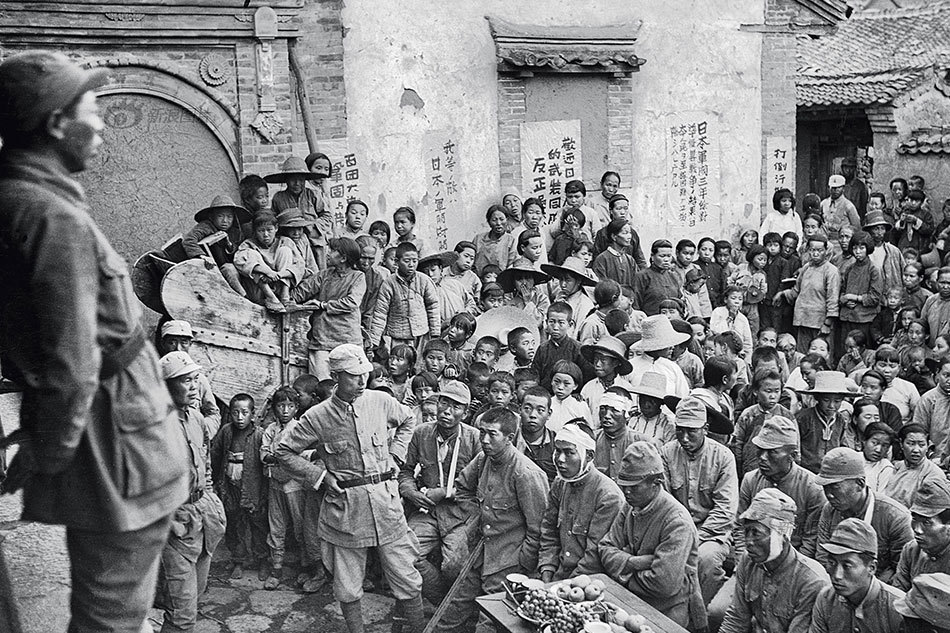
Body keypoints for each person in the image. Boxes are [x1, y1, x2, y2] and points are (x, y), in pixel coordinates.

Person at [0, 51, 190, 633]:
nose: (102, 124)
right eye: (91, 109)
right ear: (58, 124)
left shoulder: (31, 198)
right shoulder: (47, 215)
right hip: (114, 444)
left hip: (107, 433)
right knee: (111, 617)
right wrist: (51, 452)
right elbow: (73, 363)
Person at [274, 344, 422, 633]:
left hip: (386, 505)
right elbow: (284, 451)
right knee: (347, 586)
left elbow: (408, 420)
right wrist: (320, 476)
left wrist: (396, 455)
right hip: (346, 511)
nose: (361, 381)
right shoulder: (318, 416)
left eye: (364, 373)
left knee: (407, 578)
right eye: (353, 376)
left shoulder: (380, 401)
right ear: (336, 377)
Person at [433, 407, 549, 633]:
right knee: (452, 610)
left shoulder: (526, 473)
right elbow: (463, 488)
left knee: (489, 622)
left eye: (492, 434)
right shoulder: (483, 459)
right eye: (482, 432)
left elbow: (539, 528)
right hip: (478, 552)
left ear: (509, 438)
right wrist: (475, 518)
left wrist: (522, 562)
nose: (484, 440)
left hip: (508, 560)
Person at [599, 441, 706, 630]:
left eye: (634, 487)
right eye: (624, 485)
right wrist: (635, 562)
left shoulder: (677, 521)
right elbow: (605, 548)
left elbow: (664, 584)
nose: (626, 492)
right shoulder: (631, 505)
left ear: (656, 483)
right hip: (630, 600)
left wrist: (622, 572)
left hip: (667, 611)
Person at [155, 352, 226, 633]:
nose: (194, 386)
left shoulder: (197, 418)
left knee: (195, 596)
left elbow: (205, 464)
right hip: (175, 524)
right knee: (182, 614)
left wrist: (210, 499)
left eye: (196, 379)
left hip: (202, 517)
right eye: (185, 380)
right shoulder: (154, 425)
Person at [398, 380, 482, 606]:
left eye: (456, 406)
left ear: (465, 413)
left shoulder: (474, 438)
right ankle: (440, 600)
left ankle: (455, 606)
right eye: (444, 403)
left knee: (454, 565)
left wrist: (445, 492)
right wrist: (411, 492)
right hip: (428, 511)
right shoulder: (421, 433)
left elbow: (482, 485)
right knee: (404, 553)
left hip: (462, 515)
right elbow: (406, 472)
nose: (447, 411)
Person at [660, 396, 739, 604]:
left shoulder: (723, 457)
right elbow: (664, 500)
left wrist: (695, 538)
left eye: (691, 431)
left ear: (705, 429)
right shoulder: (667, 453)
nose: (684, 438)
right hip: (675, 528)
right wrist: (680, 534)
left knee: (706, 560)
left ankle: (704, 612)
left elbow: (725, 510)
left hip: (712, 533)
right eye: (680, 430)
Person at [719, 488, 830, 633]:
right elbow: (736, 620)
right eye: (747, 532)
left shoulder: (811, 581)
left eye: (756, 533)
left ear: (782, 535)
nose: (748, 541)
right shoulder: (748, 561)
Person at [538, 423, 625, 581]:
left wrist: (565, 585)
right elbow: (549, 532)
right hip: (558, 575)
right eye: (558, 451)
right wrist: (547, 570)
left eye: (569, 452)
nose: (560, 459)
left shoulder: (608, 496)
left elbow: (594, 555)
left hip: (589, 581)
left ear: (589, 456)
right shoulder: (560, 483)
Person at [814, 447, 914, 582]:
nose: (829, 495)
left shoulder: (896, 517)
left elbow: (902, 573)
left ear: (860, 483)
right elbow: (823, 556)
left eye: (835, 487)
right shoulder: (830, 509)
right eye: (825, 487)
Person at [735, 416, 825, 560]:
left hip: (795, 559)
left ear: (792, 456)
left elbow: (810, 540)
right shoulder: (750, 480)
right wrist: (742, 561)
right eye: (760, 450)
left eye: (772, 452)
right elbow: (740, 527)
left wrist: (791, 567)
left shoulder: (812, 488)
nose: (763, 457)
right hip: (755, 557)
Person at [809, 518, 905, 633]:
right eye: (832, 563)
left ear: (871, 568)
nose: (837, 575)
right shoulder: (826, 599)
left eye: (847, 566)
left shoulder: (898, 608)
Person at [210, 393, 268, 581]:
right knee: (234, 523)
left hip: (252, 487)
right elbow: (216, 455)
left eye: (244, 412)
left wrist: (263, 490)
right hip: (230, 486)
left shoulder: (259, 435)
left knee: (258, 524)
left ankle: (262, 560)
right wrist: (215, 482)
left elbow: (264, 464)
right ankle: (238, 560)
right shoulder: (226, 431)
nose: (240, 417)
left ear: (252, 413)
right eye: (235, 413)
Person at [307, 237, 366, 380]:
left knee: (352, 383)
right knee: (321, 384)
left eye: (333, 251)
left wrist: (323, 305)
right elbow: (304, 290)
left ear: (343, 258)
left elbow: (352, 302)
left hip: (348, 340)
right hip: (322, 340)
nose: (328, 253)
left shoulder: (358, 277)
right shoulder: (324, 275)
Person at [369, 242, 441, 356]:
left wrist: (435, 334)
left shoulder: (424, 281)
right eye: (407, 261)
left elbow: (433, 307)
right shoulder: (389, 283)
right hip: (398, 335)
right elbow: (380, 313)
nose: (411, 265)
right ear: (397, 262)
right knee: (399, 362)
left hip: (421, 335)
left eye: (414, 261)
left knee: (420, 363)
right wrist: (374, 340)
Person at [266, 156, 334, 269]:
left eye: (301, 179)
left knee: (318, 269)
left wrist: (311, 226)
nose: (297, 183)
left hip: (314, 239)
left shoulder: (313, 195)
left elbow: (327, 216)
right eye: (293, 179)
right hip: (289, 239)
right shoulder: (278, 198)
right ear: (286, 180)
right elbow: (273, 220)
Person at [233, 211, 304, 312]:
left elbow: (299, 266)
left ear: (276, 228)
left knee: (285, 250)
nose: (266, 234)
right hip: (259, 290)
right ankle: (271, 297)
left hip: (279, 285)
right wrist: (267, 271)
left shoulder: (285, 241)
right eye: (261, 231)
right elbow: (239, 261)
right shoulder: (248, 244)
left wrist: (278, 275)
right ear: (255, 231)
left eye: (269, 230)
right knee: (251, 254)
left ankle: (285, 296)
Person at [893, 478, 950, 591]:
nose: (917, 529)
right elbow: (899, 591)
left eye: (927, 523)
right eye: (915, 519)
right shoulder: (911, 550)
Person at [631, 239, 681, 315]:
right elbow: (635, 304)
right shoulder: (642, 276)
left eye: (669, 256)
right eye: (662, 256)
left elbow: (679, 301)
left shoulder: (673, 276)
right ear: (652, 256)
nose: (666, 259)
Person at [821, 174, 861, 241]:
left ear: (843, 188)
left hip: (842, 241)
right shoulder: (823, 204)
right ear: (828, 188)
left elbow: (857, 228)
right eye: (833, 188)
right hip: (825, 241)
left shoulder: (848, 206)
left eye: (838, 187)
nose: (835, 190)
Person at [921, 267, 950, 347]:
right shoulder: (931, 300)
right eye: (942, 282)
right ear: (937, 282)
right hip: (930, 348)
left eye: (949, 283)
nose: (945, 286)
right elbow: (923, 323)